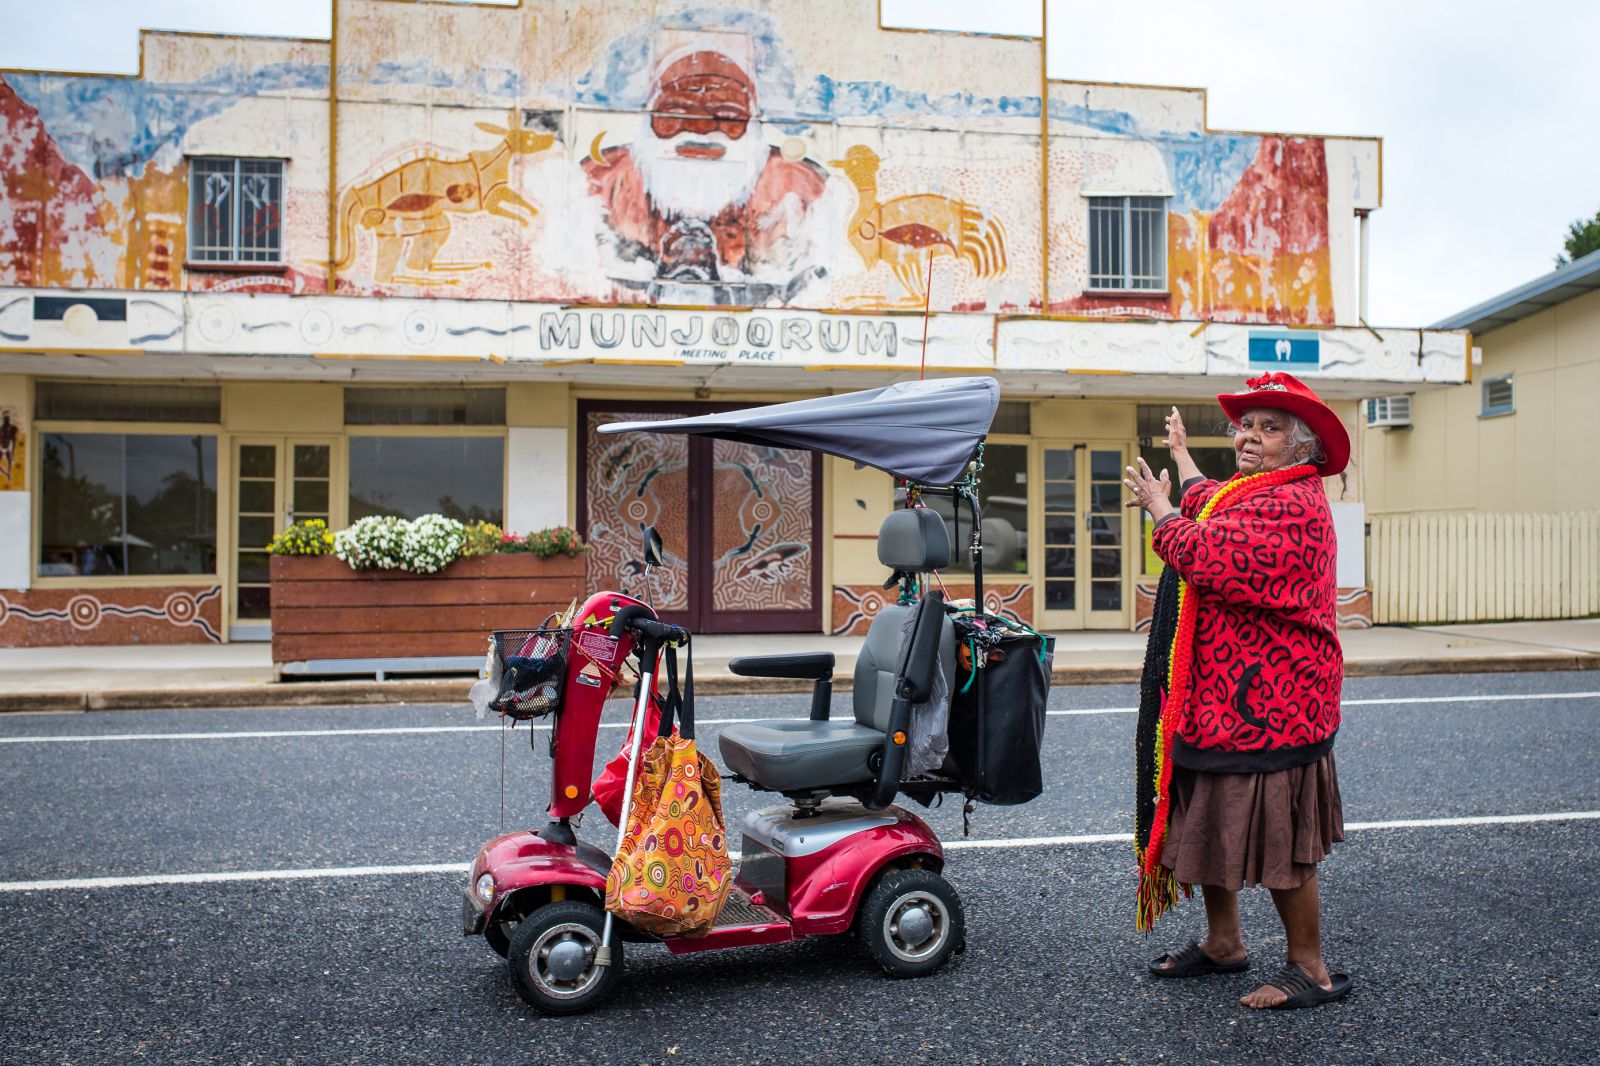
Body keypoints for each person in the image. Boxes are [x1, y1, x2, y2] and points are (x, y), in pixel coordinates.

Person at [1123, 370, 1353, 1011]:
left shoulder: (1296, 505)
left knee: (1282, 841)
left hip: (1273, 709)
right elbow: (1211, 503)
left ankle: (1312, 969)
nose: (1251, 437)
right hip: (1217, 702)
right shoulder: (1255, 491)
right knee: (1201, 818)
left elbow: (1212, 553)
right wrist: (1181, 460)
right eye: (1247, 426)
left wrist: (1162, 512)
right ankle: (1225, 943)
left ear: (1301, 447)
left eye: (1270, 428)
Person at [582, 48, 828, 285]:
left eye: (726, 116)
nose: (700, 130)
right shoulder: (602, 180)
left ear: (753, 125)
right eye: (677, 112)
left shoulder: (795, 185)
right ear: (649, 120)